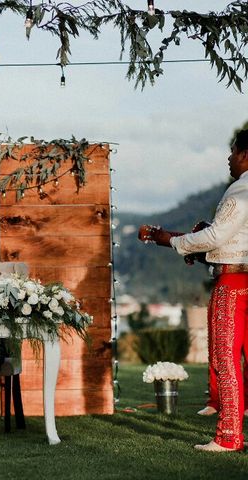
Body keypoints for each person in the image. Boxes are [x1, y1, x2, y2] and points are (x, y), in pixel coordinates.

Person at [138, 129, 248, 452]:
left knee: (225, 359)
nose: (229, 158)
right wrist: (199, 251)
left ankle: (228, 436)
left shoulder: (239, 192)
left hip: (232, 285)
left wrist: (171, 241)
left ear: (245, 154)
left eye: (233, 151)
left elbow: (216, 237)